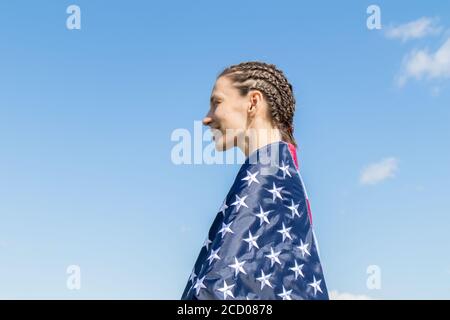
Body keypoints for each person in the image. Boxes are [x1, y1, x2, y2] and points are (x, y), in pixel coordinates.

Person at [181, 61, 328, 300]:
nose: (206, 119)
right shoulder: (276, 170)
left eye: (216, 102)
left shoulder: (267, 177)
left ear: (252, 102)